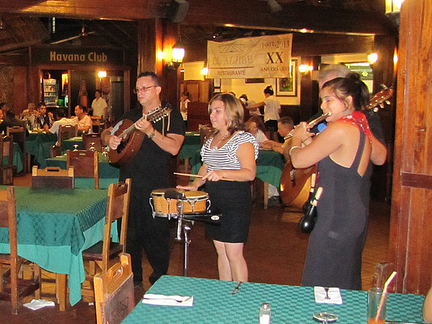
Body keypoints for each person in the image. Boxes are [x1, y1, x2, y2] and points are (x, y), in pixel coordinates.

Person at [288, 72, 386, 290]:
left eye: (329, 100)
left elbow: (298, 160)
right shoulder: (360, 128)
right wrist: (306, 141)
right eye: (322, 100)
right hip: (349, 212)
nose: (323, 107)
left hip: (336, 215)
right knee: (343, 282)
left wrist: (295, 139)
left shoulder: (340, 129)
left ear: (348, 101)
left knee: (321, 282)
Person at [101, 71, 184, 287]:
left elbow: (174, 148)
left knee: (156, 235)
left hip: (155, 184)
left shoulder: (171, 116)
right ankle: (133, 278)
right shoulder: (130, 114)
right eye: (137, 89)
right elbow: (107, 132)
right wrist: (109, 138)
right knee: (128, 235)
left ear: (157, 90)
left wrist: (151, 132)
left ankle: (160, 281)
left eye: (144, 88)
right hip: (128, 183)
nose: (140, 93)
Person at [177, 93, 258, 282]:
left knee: (234, 253)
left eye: (217, 111)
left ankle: (241, 296)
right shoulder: (213, 137)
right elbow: (206, 166)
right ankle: (224, 294)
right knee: (221, 251)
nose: (212, 115)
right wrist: (195, 184)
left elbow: (249, 173)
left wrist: (223, 173)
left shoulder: (242, 139)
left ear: (231, 113)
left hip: (235, 200)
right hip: (215, 198)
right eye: (211, 111)